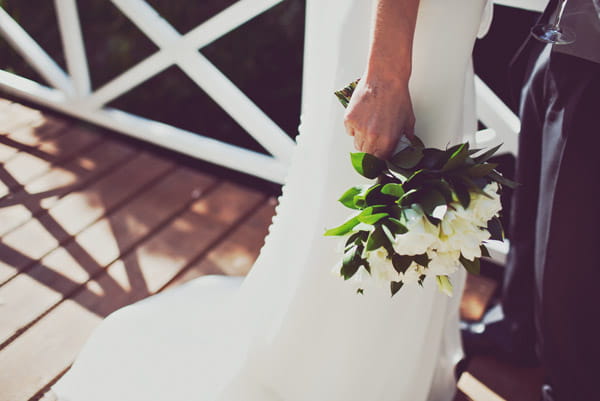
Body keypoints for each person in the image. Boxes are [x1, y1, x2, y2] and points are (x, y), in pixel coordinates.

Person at [50, 1, 493, 400]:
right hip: (402, 34)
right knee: (360, 194)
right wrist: (385, 77)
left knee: (406, 198)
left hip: (436, 27)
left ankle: (382, 370)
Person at [462, 1, 600, 400]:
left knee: (569, 242)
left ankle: (571, 386)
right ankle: (518, 326)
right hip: (563, 24)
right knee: (534, 201)